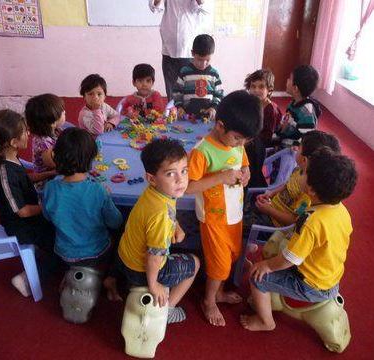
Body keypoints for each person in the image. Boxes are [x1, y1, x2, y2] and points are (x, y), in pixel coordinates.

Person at [240, 147, 357, 331]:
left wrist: (267, 266)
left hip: (310, 284)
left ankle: (266, 322)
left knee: (256, 276)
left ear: (310, 188)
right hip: (330, 278)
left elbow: (290, 258)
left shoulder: (310, 221)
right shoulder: (341, 210)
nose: (299, 174)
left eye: (303, 173)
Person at [186, 90, 262, 326]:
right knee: (219, 264)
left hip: (234, 213)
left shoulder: (237, 142)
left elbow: (243, 157)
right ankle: (209, 300)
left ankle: (218, 293)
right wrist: (221, 177)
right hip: (213, 217)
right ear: (220, 126)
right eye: (238, 138)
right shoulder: (202, 151)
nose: (241, 144)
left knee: (231, 256)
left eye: (245, 141)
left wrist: (247, 171)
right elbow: (188, 187)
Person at [117, 138, 200, 324]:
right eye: (171, 174)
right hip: (141, 270)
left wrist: (176, 225)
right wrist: (154, 285)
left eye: (184, 171)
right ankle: (168, 309)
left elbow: (168, 210)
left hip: (125, 256)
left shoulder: (158, 192)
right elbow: (154, 257)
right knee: (195, 263)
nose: (181, 179)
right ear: (152, 178)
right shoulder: (160, 216)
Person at [0, 109, 57, 297]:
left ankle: (41, 248)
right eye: (24, 131)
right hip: (21, 226)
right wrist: (47, 209)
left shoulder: (11, 157)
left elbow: (25, 179)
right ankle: (25, 280)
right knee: (61, 247)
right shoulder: (4, 172)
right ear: (13, 142)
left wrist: (49, 174)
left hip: (31, 215)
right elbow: (21, 211)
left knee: (58, 229)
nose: (28, 133)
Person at [42, 127, 123, 300]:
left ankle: (73, 274)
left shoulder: (50, 187)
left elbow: (48, 217)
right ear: (90, 159)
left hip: (65, 253)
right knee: (121, 238)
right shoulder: (98, 190)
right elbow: (115, 222)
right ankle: (108, 278)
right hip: (96, 252)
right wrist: (106, 196)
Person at [243, 131, 341, 239]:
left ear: (304, 160)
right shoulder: (299, 170)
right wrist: (271, 193)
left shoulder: (308, 191)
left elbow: (292, 220)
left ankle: (245, 243)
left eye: (299, 147)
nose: (296, 148)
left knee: (236, 223)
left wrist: (268, 210)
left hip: (274, 227)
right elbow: (287, 184)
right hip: (269, 209)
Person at [149, 0, 209, 100]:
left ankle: (190, 114)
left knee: (191, 90)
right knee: (171, 92)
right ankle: (173, 114)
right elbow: (154, 7)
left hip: (189, 49)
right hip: (168, 48)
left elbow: (206, 8)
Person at [244, 69, 282, 187]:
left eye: (261, 87)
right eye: (253, 86)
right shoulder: (253, 103)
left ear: (269, 90)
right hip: (253, 137)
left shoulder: (270, 109)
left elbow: (267, 137)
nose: (256, 90)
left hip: (263, 143)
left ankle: (254, 182)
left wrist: (246, 139)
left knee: (247, 149)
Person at [173, 34, 223, 120]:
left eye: (207, 60)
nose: (203, 64)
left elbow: (219, 94)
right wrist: (179, 107)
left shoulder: (214, 74)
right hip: (187, 117)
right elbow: (177, 92)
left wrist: (214, 107)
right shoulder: (184, 72)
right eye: (200, 59)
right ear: (192, 53)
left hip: (207, 117)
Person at [25, 93, 65, 190]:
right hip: (48, 180)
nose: (65, 112)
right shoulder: (44, 143)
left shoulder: (55, 130)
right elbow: (55, 165)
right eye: (63, 112)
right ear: (52, 122)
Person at [275, 65, 321, 147]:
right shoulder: (294, 103)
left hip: (292, 148)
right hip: (284, 139)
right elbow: (287, 121)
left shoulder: (307, 112)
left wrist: (292, 147)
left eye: (290, 79)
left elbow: (306, 138)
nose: (287, 80)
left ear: (295, 88)